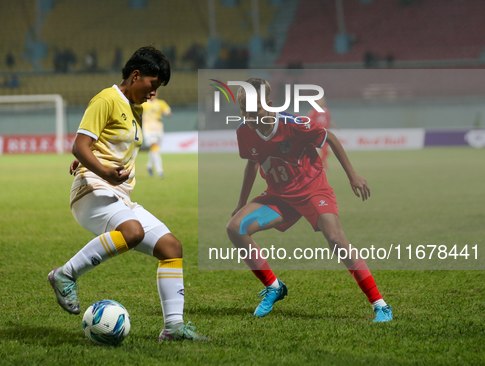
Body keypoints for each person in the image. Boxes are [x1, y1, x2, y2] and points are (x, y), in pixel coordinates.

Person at [47, 46, 208, 341]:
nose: (153, 93)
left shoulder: (135, 107)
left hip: (119, 195)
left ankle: (173, 328)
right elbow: (79, 145)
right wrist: (99, 168)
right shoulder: (107, 99)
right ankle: (65, 275)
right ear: (136, 76)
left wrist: (94, 157)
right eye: (152, 85)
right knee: (132, 231)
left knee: (171, 248)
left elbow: (101, 144)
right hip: (92, 190)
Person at [226, 78, 392, 322]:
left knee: (336, 239)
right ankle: (274, 286)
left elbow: (331, 138)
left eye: (255, 112)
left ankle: (380, 304)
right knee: (235, 228)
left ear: (269, 105)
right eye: (244, 112)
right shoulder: (244, 131)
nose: (249, 118)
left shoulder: (294, 124)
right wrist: (241, 203)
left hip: (313, 190)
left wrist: (352, 175)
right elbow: (252, 162)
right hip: (279, 196)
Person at [142, 93, 172, 178]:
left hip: (159, 129)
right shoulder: (143, 104)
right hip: (148, 129)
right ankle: (160, 171)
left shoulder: (161, 103)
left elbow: (168, 112)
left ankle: (149, 165)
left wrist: (167, 113)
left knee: (155, 150)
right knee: (155, 148)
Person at [307, 97, 338, 170]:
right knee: (324, 151)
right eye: (320, 101)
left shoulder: (326, 110)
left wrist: (335, 127)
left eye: (323, 101)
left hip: (326, 132)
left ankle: (320, 165)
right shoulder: (313, 111)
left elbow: (329, 120)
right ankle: (321, 165)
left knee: (326, 151)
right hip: (318, 133)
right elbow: (309, 121)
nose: (322, 102)